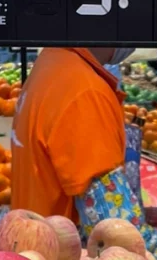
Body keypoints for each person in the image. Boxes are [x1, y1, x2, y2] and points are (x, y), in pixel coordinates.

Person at [11, 47, 128, 221]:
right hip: (61, 244)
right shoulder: (85, 92)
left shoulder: (50, 62)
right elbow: (110, 220)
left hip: (32, 236)